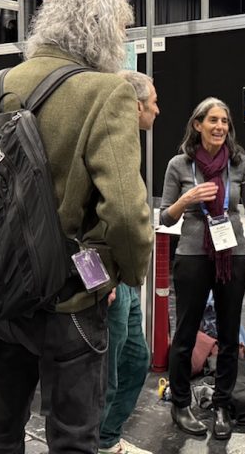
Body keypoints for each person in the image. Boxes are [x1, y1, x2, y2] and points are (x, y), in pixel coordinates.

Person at [0, 0, 153, 452]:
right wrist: (124, 275)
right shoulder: (107, 92)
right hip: (69, 298)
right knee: (72, 438)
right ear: (104, 30)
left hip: (1, 294)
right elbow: (128, 211)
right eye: (123, 32)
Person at [160, 97, 245, 440]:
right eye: (213, 120)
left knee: (230, 336)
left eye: (225, 121)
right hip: (192, 255)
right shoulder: (179, 165)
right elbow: (164, 216)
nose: (219, 127)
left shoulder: (239, 163)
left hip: (233, 253)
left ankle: (222, 405)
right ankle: (181, 403)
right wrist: (185, 201)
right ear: (197, 124)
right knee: (185, 334)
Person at [96, 70, 159, 454]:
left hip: (127, 279)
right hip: (110, 280)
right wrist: (101, 282)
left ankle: (106, 437)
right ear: (135, 106)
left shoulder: (125, 146)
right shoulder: (107, 145)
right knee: (109, 373)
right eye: (153, 100)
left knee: (137, 361)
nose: (157, 107)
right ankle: (97, 442)